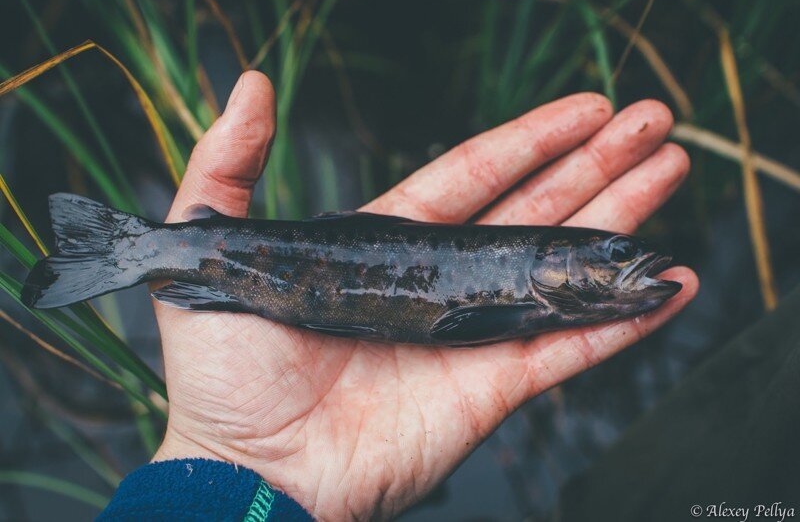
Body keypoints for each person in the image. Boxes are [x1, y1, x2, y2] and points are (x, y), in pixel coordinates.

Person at [98, 71, 698, 521]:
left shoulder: (533, 295)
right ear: (557, 260)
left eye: (619, 255)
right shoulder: (526, 298)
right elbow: (460, 325)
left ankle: (132, 248)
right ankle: (131, 249)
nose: (628, 263)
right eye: (616, 255)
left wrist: (237, 476)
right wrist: (244, 462)